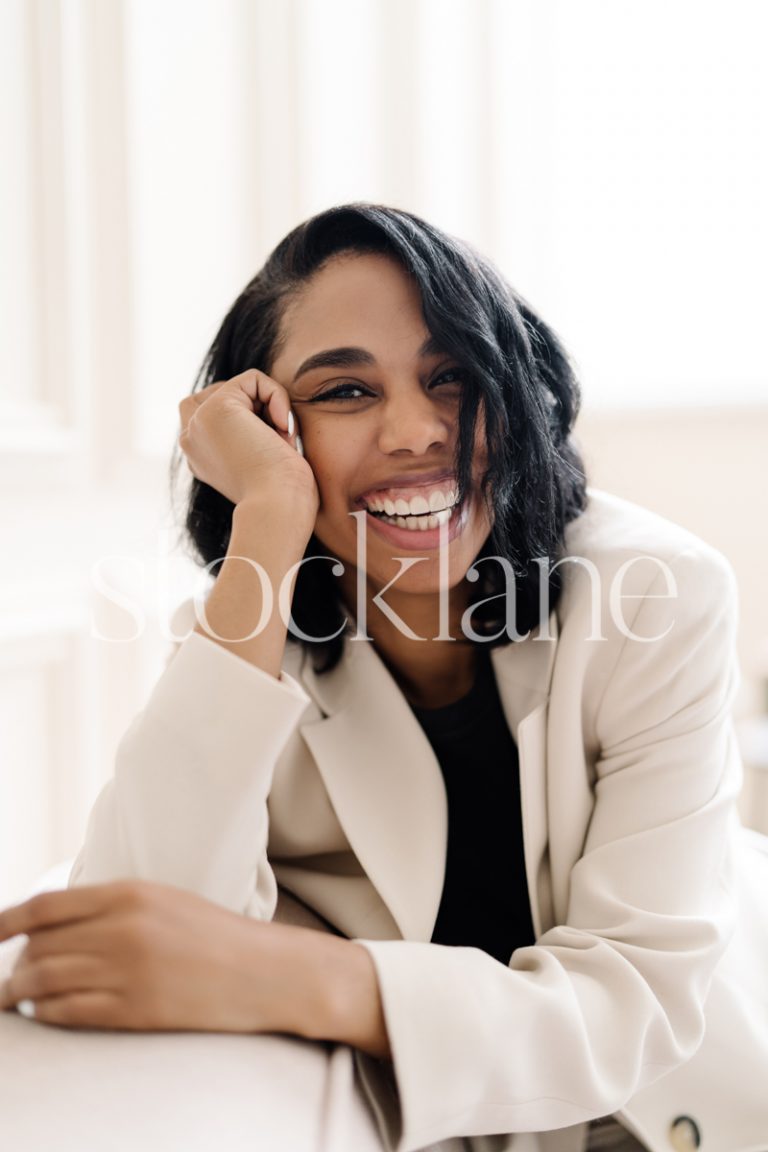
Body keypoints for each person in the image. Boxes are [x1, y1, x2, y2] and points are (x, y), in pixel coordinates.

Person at [1, 204, 766, 1152]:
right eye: (345, 393)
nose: (415, 431)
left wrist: (282, 975)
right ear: (268, 428)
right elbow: (146, 924)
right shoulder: (250, 625)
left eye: (452, 376)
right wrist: (271, 519)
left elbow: (636, 1005)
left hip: (675, 1115)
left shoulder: (658, 594)